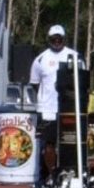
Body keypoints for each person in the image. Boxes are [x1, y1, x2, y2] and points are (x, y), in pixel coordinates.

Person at [29, 24, 80, 175]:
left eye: (60, 39)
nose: (57, 41)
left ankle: (69, 172)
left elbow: (81, 81)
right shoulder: (40, 59)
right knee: (48, 144)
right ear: (49, 39)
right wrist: (47, 98)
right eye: (54, 39)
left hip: (69, 109)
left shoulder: (74, 56)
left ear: (64, 39)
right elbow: (34, 83)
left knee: (69, 143)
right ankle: (51, 174)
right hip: (47, 110)